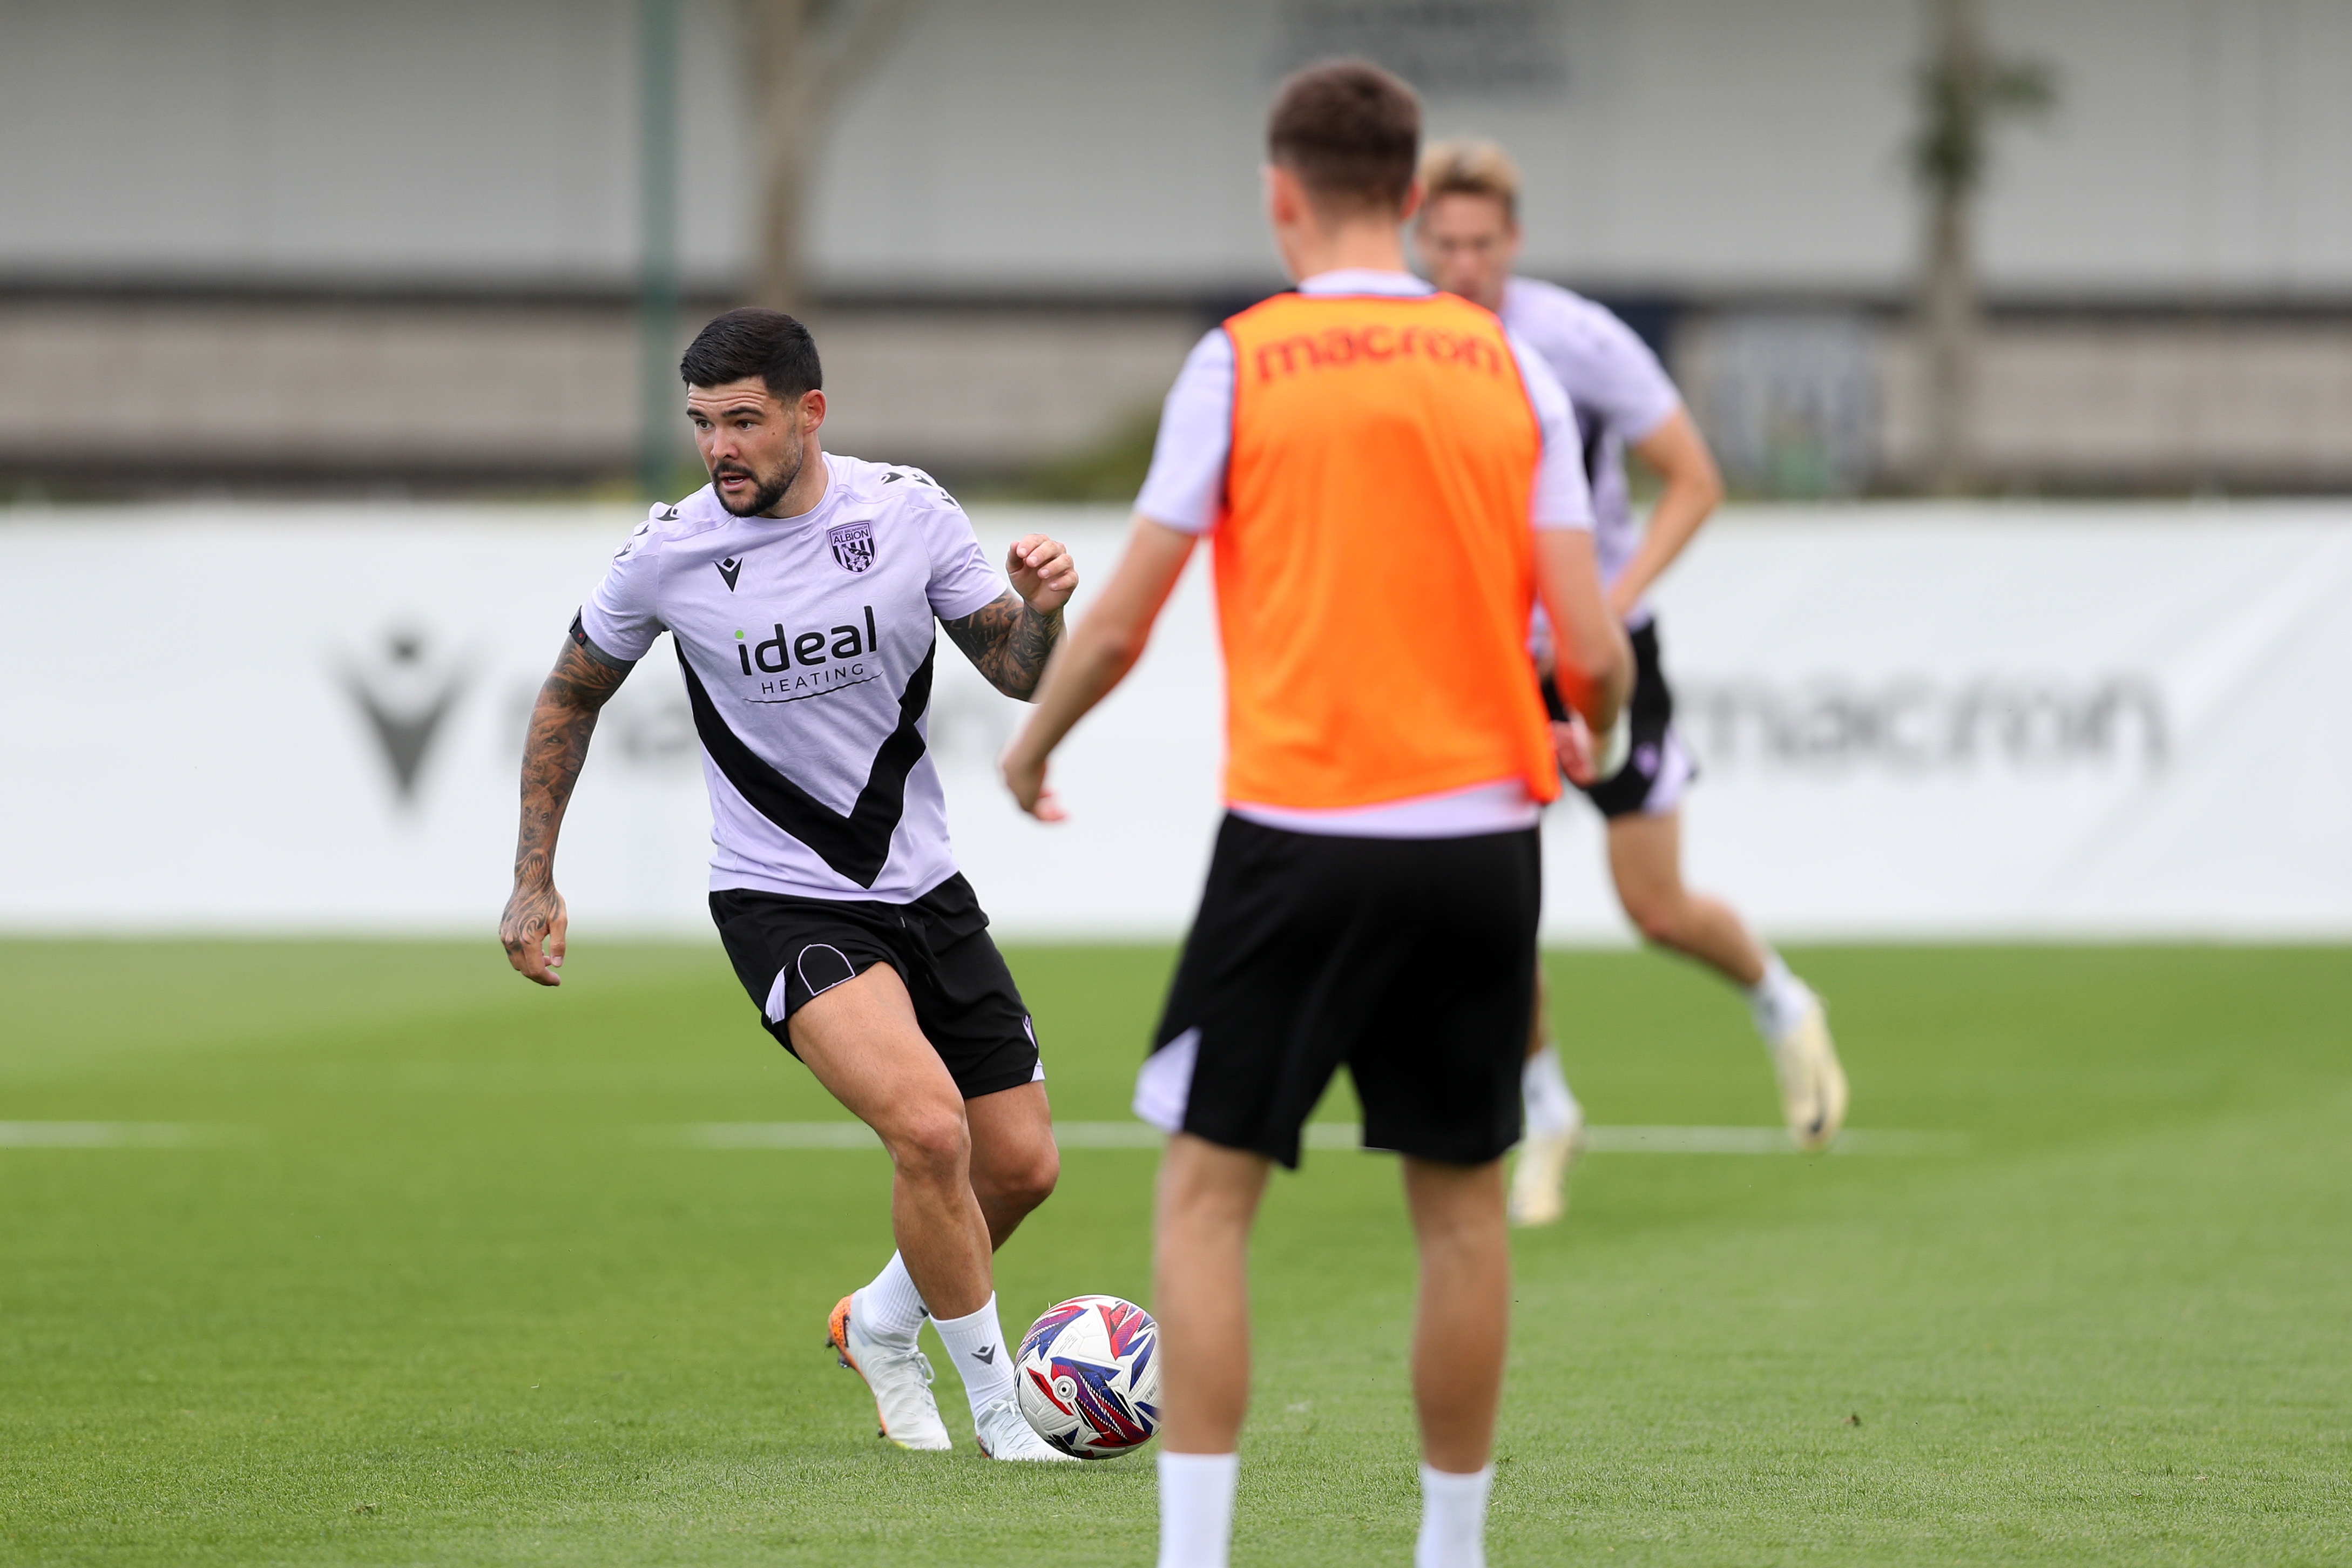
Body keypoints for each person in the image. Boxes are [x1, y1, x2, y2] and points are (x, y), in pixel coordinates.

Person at [1000, 61, 1630, 1568]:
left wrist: (1034, 745)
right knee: (1462, 1218)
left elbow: (1125, 616)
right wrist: (1589, 730)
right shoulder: (1509, 370)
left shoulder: (1241, 363)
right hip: (1482, 844)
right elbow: (1591, 648)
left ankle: (1197, 1555)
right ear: (1415, 199)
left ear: (1280, 195)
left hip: (1304, 840)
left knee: (1206, 1208)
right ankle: (1451, 1550)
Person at [498, 307, 1080, 1462]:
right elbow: (570, 693)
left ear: (810, 414)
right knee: (928, 1131)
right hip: (781, 898)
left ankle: (878, 1321)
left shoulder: (907, 513)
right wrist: (533, 881)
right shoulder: (668, 552)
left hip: (925, 887)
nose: (721, 448)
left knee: (1022, 1166)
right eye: (704, 423)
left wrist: (1047, 612)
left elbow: (1014, 672)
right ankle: (1004, 1413)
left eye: (745, 422)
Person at [1414, 139, 1850, 1226]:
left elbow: (1695, 480)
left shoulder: (1579, 341)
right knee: (1486, 911)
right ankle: (1547, 1111)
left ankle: (1783, 1002)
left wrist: (1603, 605)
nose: (1463, 261)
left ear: (1512, 240)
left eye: (1482, 242)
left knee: (1655, 906)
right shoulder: (1405, 346)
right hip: (1479, 660)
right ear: (1420, 238)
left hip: (1603, 655)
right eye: (1445, 241)